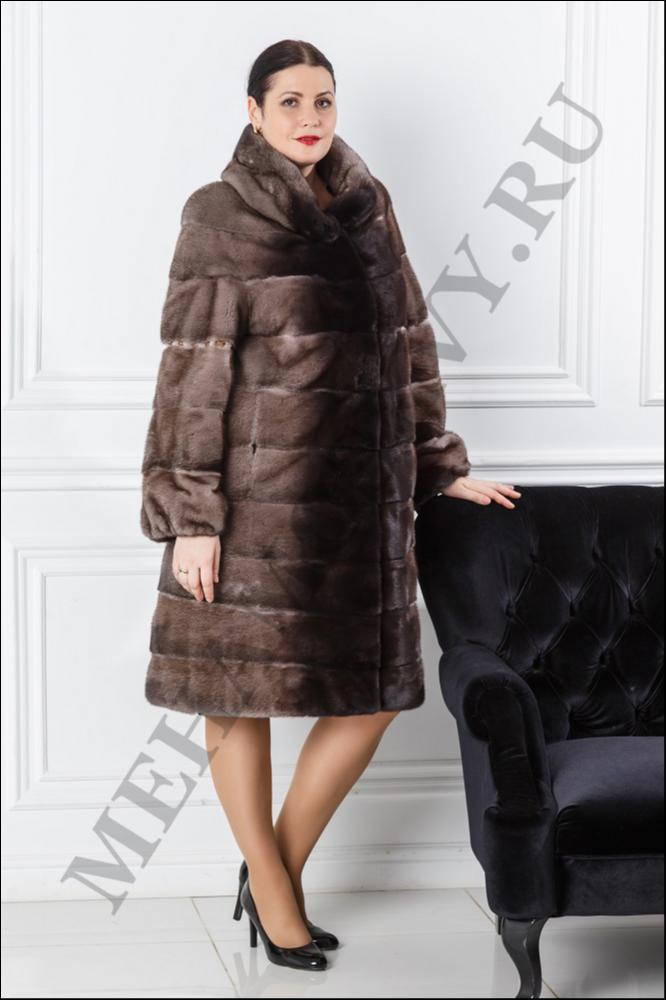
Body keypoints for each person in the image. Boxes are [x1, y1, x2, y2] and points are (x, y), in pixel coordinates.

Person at [140, 39, 521, 971]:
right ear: (254, 110)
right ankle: (277, 900)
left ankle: (273, 866)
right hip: (249, 513)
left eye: (324, 100)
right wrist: (193, 516)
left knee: (376, 697)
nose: (310, 118)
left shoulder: (367, 204)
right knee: (235, 696)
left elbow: (410, 340)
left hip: (360, 514)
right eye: (291, 102)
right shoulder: (218, 214)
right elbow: (192, 377)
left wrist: (436, 463)